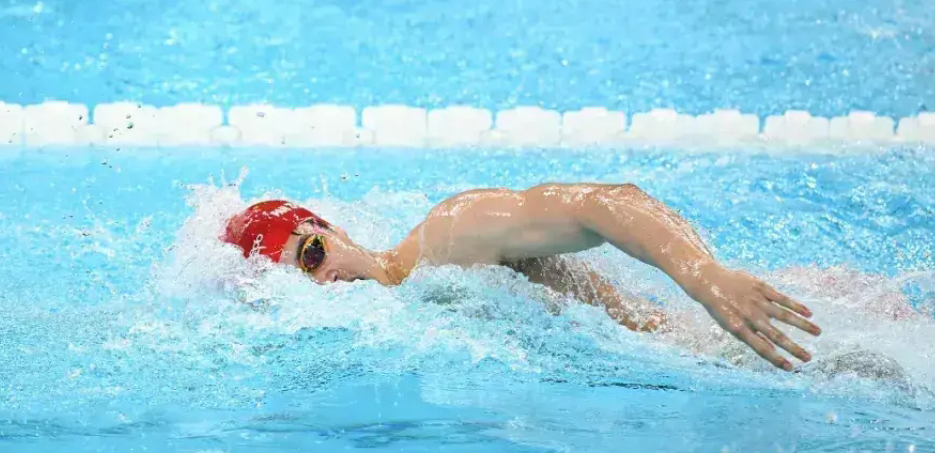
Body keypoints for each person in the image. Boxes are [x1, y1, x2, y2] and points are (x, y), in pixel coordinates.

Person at [222, 183, 821, 371]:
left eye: (310, 254)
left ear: (336, 231)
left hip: (748, 337)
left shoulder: (448, 238)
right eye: (299, 282)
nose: (324, 280)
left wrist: (703, 274)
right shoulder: (387, 336)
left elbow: (604, 202)